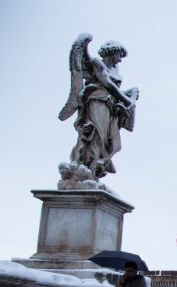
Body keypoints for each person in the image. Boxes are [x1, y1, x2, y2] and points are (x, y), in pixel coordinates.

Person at [59, 35, 139, 181]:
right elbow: (108, 84)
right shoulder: (96, 63)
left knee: (114, 144)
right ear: (112, 52)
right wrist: (127, 100)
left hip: (110, 107)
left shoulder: (115, 69)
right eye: (119, 55)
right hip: (97, 103)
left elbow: (116, 89)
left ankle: (98, 165)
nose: (120, 59)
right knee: (96, 136)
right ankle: (85, 167)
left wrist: (132, 95)